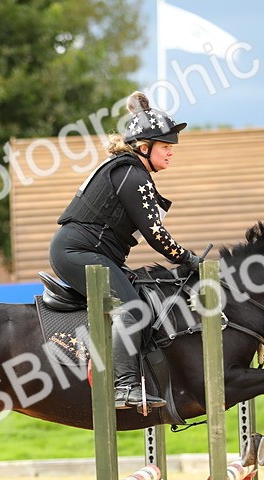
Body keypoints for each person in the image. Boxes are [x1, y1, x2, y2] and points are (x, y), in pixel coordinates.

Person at [49, 90, 203, 409]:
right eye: (166, 146)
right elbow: (156, 235)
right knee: (131, 309)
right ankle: (124, 387)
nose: (171, 152)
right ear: (144, 147)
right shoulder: (133, 175)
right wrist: (188, 259)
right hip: (79, 253)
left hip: (84, 251)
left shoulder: (128, 170)